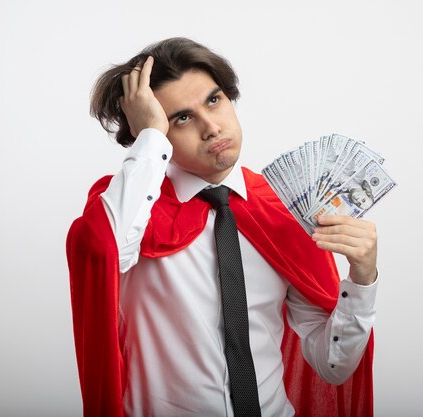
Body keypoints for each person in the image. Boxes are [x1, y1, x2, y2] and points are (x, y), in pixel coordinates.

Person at [67, 37, 379, 417]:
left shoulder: (281, 209)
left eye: (213, 101)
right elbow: (102, 252)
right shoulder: (127, 211)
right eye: (182, 118)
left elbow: (334, 365)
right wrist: (147, 135)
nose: (211, 128)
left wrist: (363, 280)